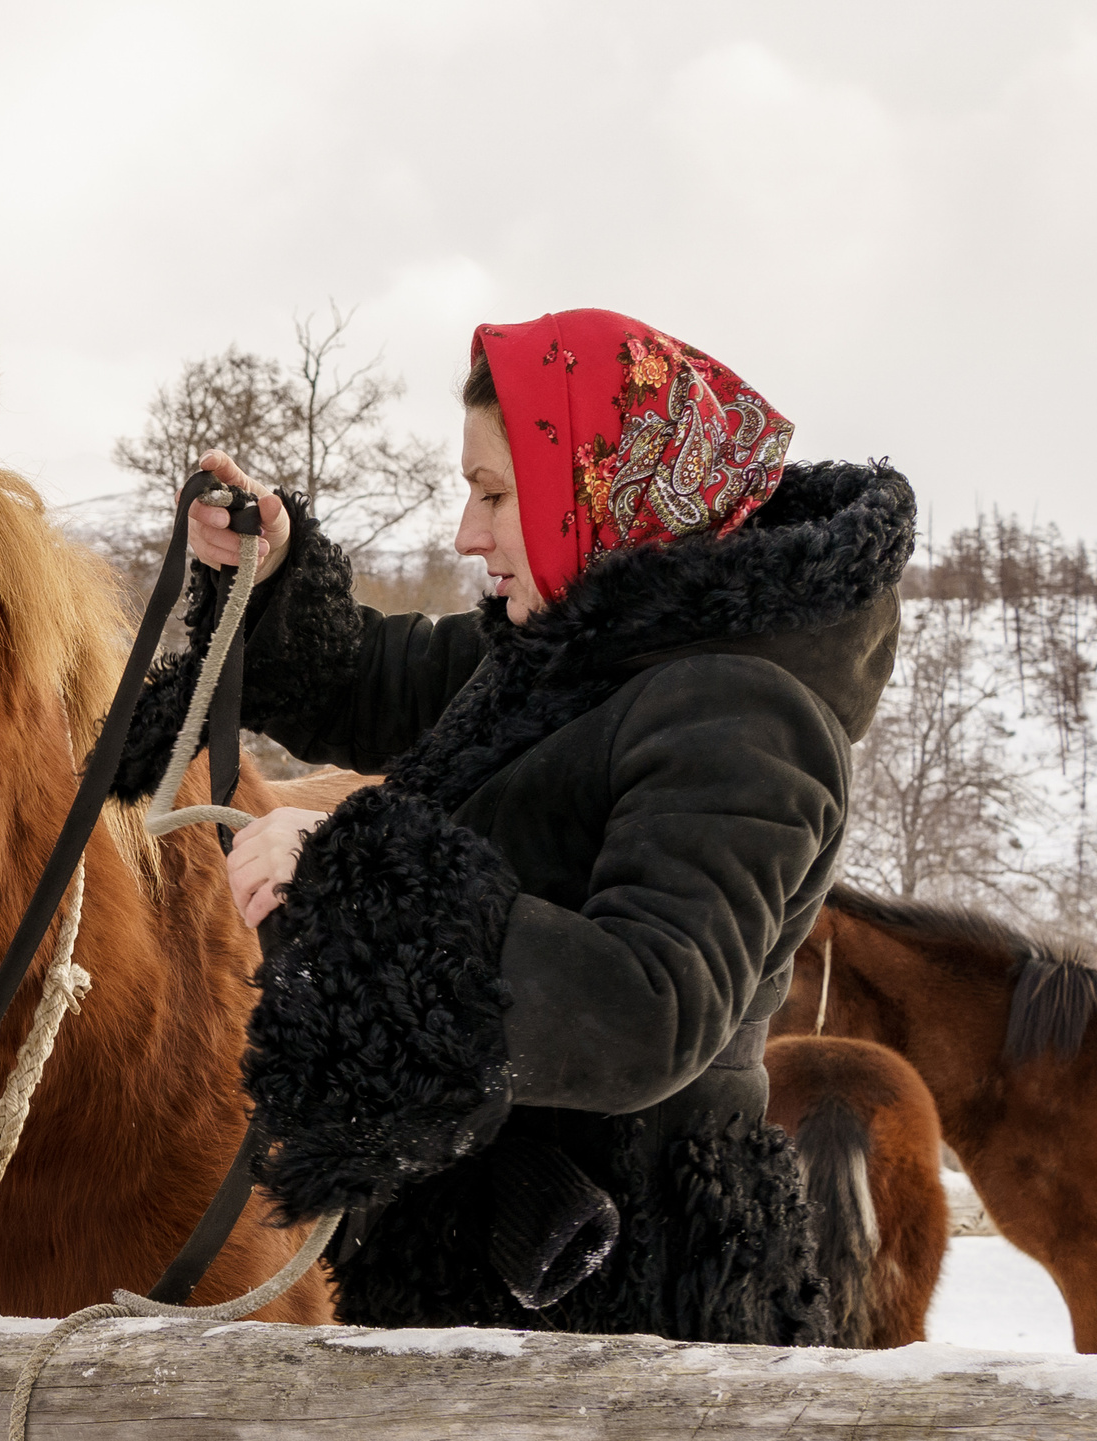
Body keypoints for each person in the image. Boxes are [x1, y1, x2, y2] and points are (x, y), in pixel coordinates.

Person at [124, 310, 912, 1343]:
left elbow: (650, 1009)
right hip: (499, 1285)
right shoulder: (572, 653)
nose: (466, 532)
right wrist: (271, 574)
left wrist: (355, 875)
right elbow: (370, 676)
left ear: (601, 486)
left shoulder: (743, 714)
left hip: (627, 1317)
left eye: (494, 492)